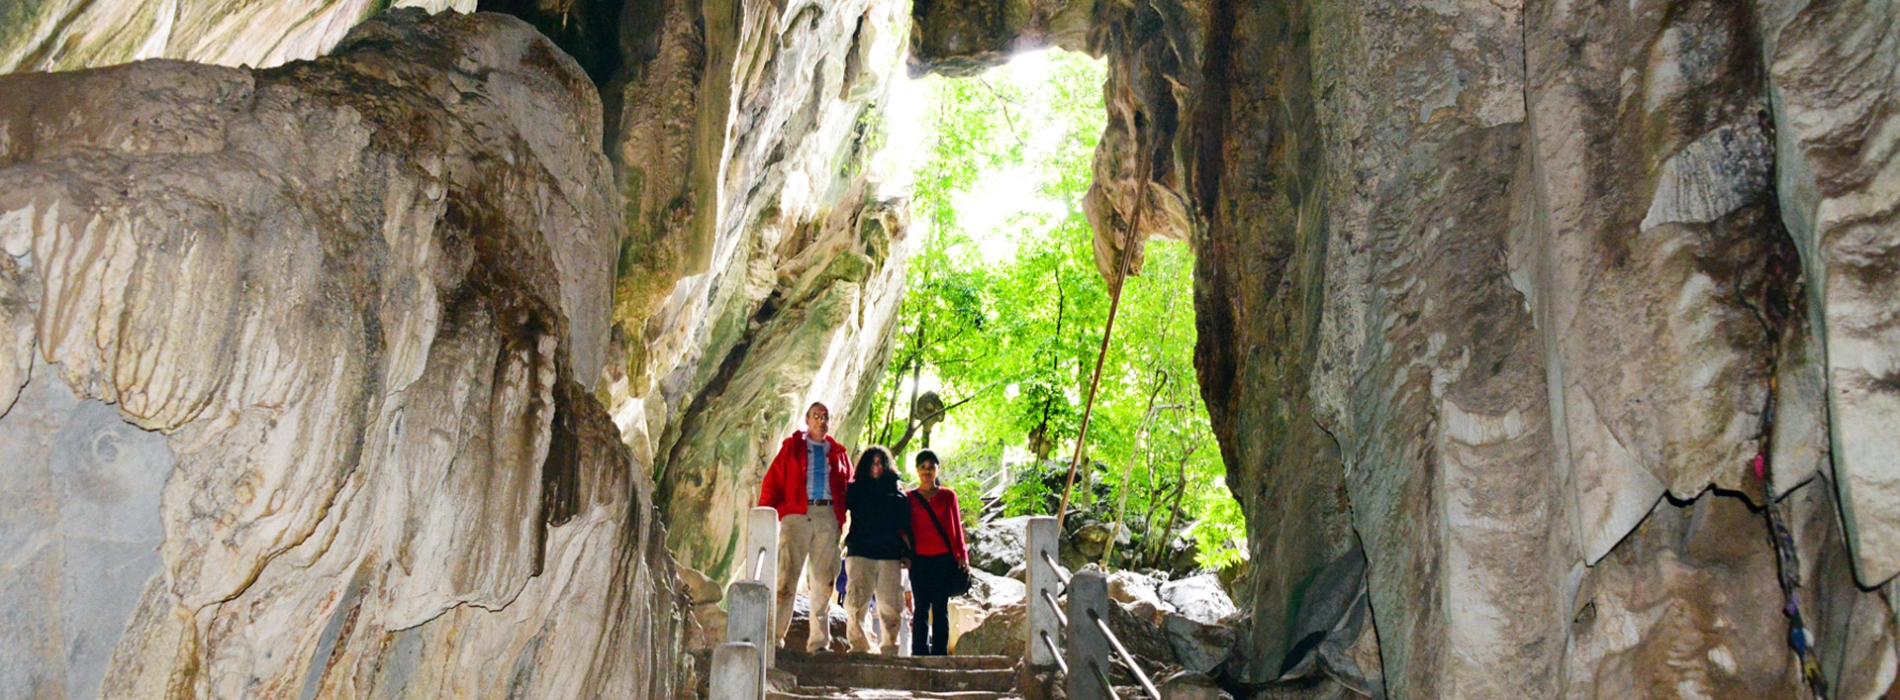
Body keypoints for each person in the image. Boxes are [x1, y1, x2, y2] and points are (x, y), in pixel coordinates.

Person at [758, 401, 853, 651]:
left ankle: (819, 643)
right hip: (797, 515)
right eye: (816, 416)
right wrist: (767, 513)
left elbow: (850, 488)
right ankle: (774, 640)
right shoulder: (792, 448)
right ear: (807, 420)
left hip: (827, 516)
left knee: (824, 581)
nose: (821, 420)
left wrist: (843, 522)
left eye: (825, 416)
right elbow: (773, 481)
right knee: (787, 579)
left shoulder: (839, 453)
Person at [841, 445, 909, 655]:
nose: (876, 467)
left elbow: (905, 527)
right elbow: (838, 513)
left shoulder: (897, 494)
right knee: (856, 603)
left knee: (891, 605)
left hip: (889, 555)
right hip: (860, 552)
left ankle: (890, 647)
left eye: (880, 463)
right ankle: (859, 646)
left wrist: (907, 553)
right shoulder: (854, 490)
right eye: (872, 463)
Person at [905, 449, 968, 656]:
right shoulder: (909, 498)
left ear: (937, 470)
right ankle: (919, 654)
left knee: (940, 608)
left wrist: (962, 555)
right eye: (922, 467)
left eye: (931, 467)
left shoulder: (948, 496)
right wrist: (905, 552)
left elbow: (956, 528)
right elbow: (902, 528)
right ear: (916, 470)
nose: (927, 471)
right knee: (921, 608)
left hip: (943, 559)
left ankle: (940, 655)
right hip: (919, 560)